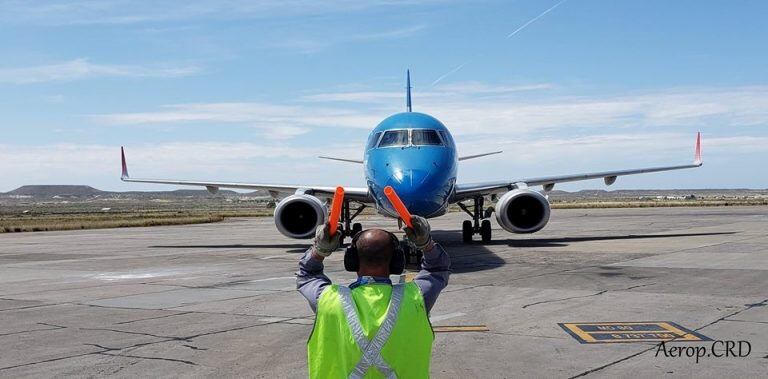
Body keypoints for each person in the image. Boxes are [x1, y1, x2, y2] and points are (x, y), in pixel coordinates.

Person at [296, 215, 451, 379]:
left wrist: (320, 250)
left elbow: (307, 275)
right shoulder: (416, 298)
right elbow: (437, 269)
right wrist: (426, 244)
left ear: (352, 261)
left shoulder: (328, 300)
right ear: (396, 262)